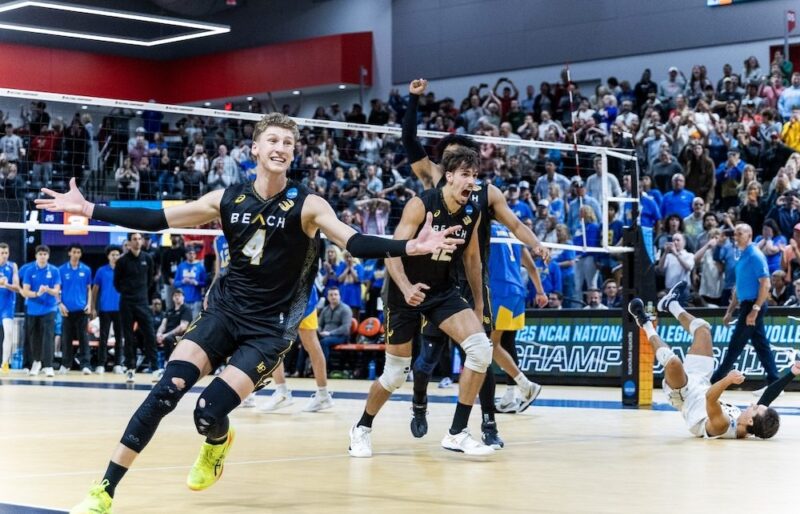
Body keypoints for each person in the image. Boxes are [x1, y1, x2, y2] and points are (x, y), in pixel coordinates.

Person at [38, 112, 459, 513]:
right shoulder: (226, 198)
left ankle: (216, 442)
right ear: (255, 148)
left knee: (208, 411)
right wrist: (88, 209)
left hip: (270, 329)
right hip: (224, 311)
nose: (281, 148)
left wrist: (409, 246)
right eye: (273, 140)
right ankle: (104, 491)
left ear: (294, 153)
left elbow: (356, 241)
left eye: (289, 143)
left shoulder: (309, 205)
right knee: (166, 391)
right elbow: (158, 218)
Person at [400, 79, 550, 448]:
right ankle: (420, 403)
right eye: (448, 160)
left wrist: (537, 243)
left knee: (481, 352)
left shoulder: (487, 192)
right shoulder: (435, 183)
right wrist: (414, 99)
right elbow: (409, 142)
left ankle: (488, 425)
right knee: (426, 362)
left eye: (463, 162)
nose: (453, 166)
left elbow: (515, 224)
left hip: (473, 279)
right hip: (438, 278)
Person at [349, 145, 494, 458]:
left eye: (475, 175)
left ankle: (457, 432)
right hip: (404, 293)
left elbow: (472, 260)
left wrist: (479, 305)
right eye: (466, 175)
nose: (472, 181)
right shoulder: (421, 205)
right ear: (449, 177)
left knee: (481, 349)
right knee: (395, 374)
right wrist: (404, 286)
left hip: (441, 290)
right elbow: (391, 250)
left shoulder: (473, 212)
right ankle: (362, 427)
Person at [629, 281, 780, 440]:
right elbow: (768, 399)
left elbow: (710, 398)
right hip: (702, 382)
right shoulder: (745, 422)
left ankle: (645, 323)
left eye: (755, 408)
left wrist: (728, 380)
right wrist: (792, 372)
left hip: (684, 394)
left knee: (673, 362)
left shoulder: (722, 426)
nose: (751, 404)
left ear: (750, 420)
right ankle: (670, 304)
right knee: (703, 329)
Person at [711, 224, 780, 392]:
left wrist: (755, 309)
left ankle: (714, 381)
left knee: (735, 345)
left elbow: (766, 284)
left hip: (753, 305)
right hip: (746, 305)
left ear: (749, 235)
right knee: (761, 345)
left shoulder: (755, 255)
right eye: (735, 233)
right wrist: (730, 311)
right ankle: (775, 383)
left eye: (739, 233)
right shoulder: (742, 256)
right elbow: (738, 287)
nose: (736, 236)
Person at [255, 285, 334, 413]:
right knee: (311, 344)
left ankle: (282, 392)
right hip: (303, 293)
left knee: (273, 342)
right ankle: (323, 395)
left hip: (288, 294)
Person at [114, 232, 158, 383]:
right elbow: (116, 283)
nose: (138, 242)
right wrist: (129, 293)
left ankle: (156, 368)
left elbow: (150, 281)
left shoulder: (148, 259)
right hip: (126, 303)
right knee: (128, 337)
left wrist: (142, 295)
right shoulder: (122, 261)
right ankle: (130, 369)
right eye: (135, 239)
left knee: (150, 335)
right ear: (129, 242)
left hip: (142, 302)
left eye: (140, 239)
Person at [20, 245, 60, 377]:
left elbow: (56, 291)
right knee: (34, 338)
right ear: (36, 256)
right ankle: (36, 363)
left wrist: (47, 290)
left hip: (49, 308)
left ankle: (48, 365)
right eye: (40, 254)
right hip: (33, 309)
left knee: (48, 336)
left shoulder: (54, 271)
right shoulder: (29, 270)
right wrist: (37, 293)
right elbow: (25, 291)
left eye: (45, 254)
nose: (42, 257)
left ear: (48, 256)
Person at [57, 244, 93, 374]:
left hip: (82, 310)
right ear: (69, 253)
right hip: (67, 311)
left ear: (80, 254)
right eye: (74, 252)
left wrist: (89, 304)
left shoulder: (86, 270)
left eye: (78, 252)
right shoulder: (61, 270)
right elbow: (57, 290)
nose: (76, 254)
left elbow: (89, 289)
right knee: (66, 339)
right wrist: (60, 304)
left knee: (83, 339)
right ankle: (66, 364)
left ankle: (86, 365)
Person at [92, 245, 123, 374]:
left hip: (121, 308)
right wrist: (93, 306)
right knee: (103, 337)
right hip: (105, 308)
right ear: (108, 256)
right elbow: (95, 290)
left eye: (117, 254)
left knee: (119, 337)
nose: (115, 257)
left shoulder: (124, 270)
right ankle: (101, 364)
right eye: (112, 254)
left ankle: (118, 364)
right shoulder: (101, 271)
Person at [156, 289, 192, 359]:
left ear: (183, 297)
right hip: (166, 335)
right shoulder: (169, 310)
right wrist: (159, 334)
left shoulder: (186, 309)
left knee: (168, 339)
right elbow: (163, 324)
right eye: (175, 295)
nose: (177, 297)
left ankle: (167, 363)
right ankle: (153, 365)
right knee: (152, 337)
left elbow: (182, 327)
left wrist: (165, 335)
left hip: (180, 336)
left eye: (179, 295)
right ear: (172, 298)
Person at [0, 242, 19, 373]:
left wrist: (6, 284)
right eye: (2, 253)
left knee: (9, 333)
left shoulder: (13, 266)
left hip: (7, 305)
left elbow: (17, 287)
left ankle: (5, 363)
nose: (4, 255)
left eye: (6, 253)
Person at [174, 247, 206, 319]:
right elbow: (175, 283)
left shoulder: (200, 266)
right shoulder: (181, 266)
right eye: (190, 253)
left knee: (194, 323)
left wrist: (196, 283)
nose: (192, 255)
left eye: (193, 253)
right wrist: (183, 281)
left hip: (196, 300)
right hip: (184, 300)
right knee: (184, 322)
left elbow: (205, 283)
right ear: (186, 255)